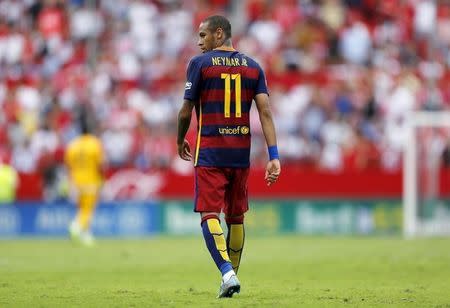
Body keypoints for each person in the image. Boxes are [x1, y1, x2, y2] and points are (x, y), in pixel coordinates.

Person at [177, 15, 281, 298]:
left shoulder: (199, 64)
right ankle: (230, 275)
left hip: (210, 152)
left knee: (209, 213)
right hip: (240, 154)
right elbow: (266, 112)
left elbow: (186, 110)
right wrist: (274, 155)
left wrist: (179, 139)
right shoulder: (254, 67)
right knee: (236, 217)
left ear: (219, 34)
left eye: (203, 36)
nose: (199, 42)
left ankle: (227, 272)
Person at [65, 109, 105, 246]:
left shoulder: (73, 145)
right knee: (88, 209)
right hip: (90, 180)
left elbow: (68, 165)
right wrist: (102, 179)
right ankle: (75, 226)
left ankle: (86, 235)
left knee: (81, 208)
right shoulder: (94, 143)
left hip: (75, 181)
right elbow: (101, 165)